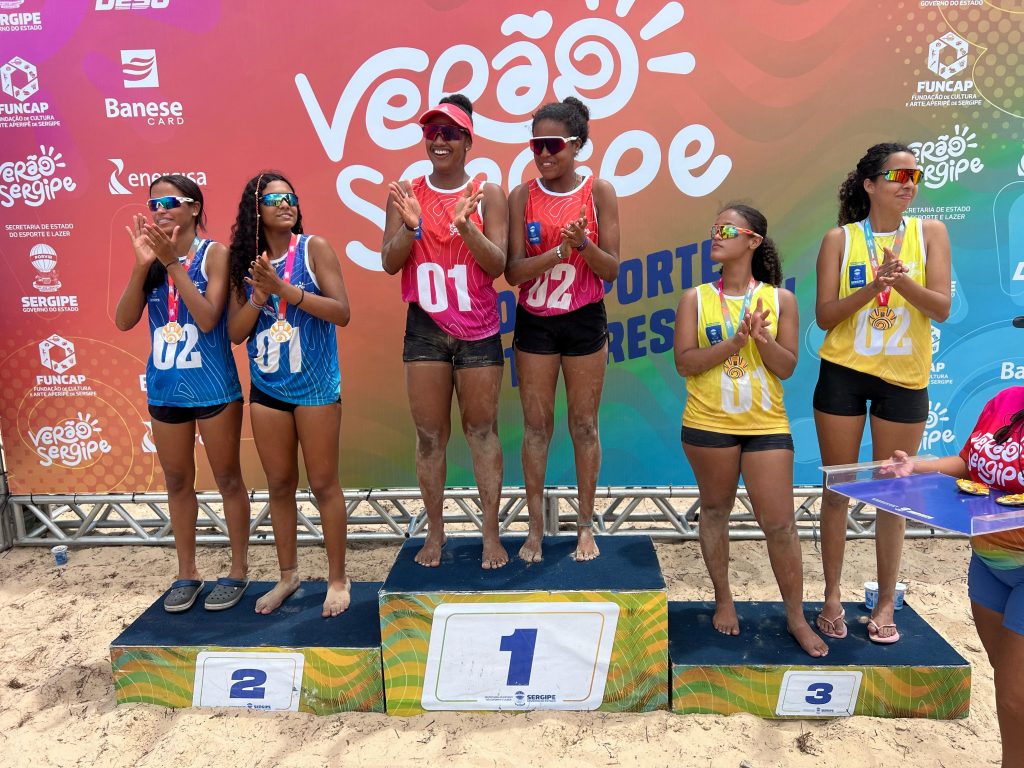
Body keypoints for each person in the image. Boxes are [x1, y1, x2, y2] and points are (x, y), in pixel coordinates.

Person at [674, 205, 827, 657]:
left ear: (753, 241)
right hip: (708, 422)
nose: (715, 236)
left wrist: (762, 340)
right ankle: (724, 600)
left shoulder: (781, 300)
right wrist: (734, 343)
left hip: (766, 424)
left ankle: (796, 617)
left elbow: (786, 367)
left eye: (726, 229)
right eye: (714, 229)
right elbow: (685, 363)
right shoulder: (695, 298)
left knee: (780, 523)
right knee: (714, 510)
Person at [814, 143, 951, 643]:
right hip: (844, 372)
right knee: (839, 489)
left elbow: (941, 308)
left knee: (894, 494)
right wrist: (873, 288)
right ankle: (831, 596)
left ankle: (886, 600)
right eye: (898, 175)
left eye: (915, 174)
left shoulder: (931, 233)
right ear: (870, 184)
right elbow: (824, 316)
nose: (908, 183)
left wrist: (900, 282)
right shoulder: (840, 238)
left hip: (904, 378)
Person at [381, 94, 509, 569]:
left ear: (467, 141)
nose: (439, 140)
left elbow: (498, 264)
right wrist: (410, 228)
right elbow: (388, 261)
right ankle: (434, 533)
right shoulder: (406, 192)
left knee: (482, 430)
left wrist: (466, 226)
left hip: (478, 328)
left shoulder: (488, 193)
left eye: (450, 133)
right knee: (430, 435)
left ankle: (490, 535)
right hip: (426, 327)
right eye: (432, 132)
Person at [115, 174, 250, 613]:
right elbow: (123, 320)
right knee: (176, 482)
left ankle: (238, 570)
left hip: (214, 386)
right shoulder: (151, 258)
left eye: (170, 202)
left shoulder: (215, 254)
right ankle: (187, 572)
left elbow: (210, 319)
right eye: (153, 204)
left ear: (194, 207)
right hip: (166, 388)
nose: (160, 211)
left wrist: (173, 263)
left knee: (228, 479)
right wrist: (143, 265)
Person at [227, 171, 352, 617]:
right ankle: (288, 576)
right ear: (255, 211)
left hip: (315, 388)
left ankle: (338, 579)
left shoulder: (314, 248)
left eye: (290, 197)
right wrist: (261, 296)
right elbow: (235, 333)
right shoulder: (245, 263)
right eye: (274, 199)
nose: (285, 204)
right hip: (267, 389)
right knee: (279, 485)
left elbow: (341, 312)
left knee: (323, 483)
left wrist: (286, 291)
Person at [504, 97, 620, 563]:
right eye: (536, 145)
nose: (544, 154)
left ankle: (586, 527)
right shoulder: (521, 195)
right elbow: (513, 273)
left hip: (584, 317)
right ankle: (535, 529)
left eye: (552, 144)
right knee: (536, 427)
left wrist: (584, 245)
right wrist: (557, 254)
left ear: (576, 145)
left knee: (584, 425)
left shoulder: (599, 191)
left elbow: (611, 270)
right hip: (535, 321)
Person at [884, 385, 1024, 767]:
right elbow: (967, 464)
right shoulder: (1006, 400)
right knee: (1008, 681)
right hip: (988, 565)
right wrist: (916, 466)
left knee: (1013, 696)